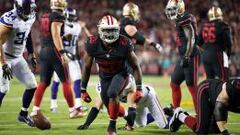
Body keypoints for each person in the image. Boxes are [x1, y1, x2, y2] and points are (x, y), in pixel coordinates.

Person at [80, 15, 143, 135]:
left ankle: (111, 127)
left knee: (112, 93)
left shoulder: (124, 43)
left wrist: (139, 88)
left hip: (121, 74)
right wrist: (83, 89)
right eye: (106, 30)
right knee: (110, 107)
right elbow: (87, 67)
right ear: (100, 30)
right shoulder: (92, 43)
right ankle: (128, 119)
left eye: (112, 30)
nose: (109, 34)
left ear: (118, 30)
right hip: (104, 77)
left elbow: (136, 66)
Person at [31, 0, 84, 120]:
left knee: (44, 82)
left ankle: (35, 109)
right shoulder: (58, 17)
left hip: (44, 50)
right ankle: (72, 110)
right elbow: (55, 35)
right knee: (66, 81)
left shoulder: (45, 16)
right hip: (54, 51)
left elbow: (50, 33)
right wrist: (62, 53)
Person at [0, 0, 37, 127]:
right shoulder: (9, 19)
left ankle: (23, 114)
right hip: (4, 57)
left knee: (32, 85)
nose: (28, 12)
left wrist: (32, 53)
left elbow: (28, 33)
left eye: (30, 9)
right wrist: (4, 63)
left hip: (18, 57)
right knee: (4, 89)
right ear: (18, 7)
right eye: (26, 9)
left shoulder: (31, 16)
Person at [77, 81, 169, 130]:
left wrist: (129, 125)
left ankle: (177, 115)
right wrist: (86, 124)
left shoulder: (123, 86)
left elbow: (131, 106)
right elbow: (97, 106)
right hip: (137, 103)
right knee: (141, 124)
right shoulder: (106, 90)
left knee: (165, 126)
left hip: (148, 97)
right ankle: (165, 110)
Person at [50, 7, 92, 113]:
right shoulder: (77, 26)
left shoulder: (61, 25)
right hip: (65, 56)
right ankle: (54, 104)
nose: (72, 18)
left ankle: (74, 105)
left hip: (66, 56)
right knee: (58, 80)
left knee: (73, 80)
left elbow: (56, 38)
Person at [169, 79, 240, 135]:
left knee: (216, 130)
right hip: (205, 91)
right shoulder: (233, 88)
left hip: (219, 100)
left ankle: (198, 118)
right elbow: (219, 109)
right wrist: (225, 132)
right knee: (201, 130)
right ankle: (180, 115)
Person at [165, 0, 200, 111]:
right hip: (184, 56)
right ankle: (177, 111)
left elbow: (192, 38)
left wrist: (187, 56)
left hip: (190, 56)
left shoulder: (185, 18)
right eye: (170, 9)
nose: (171, 12)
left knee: (192, 87)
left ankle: (200, 115)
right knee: (174, 84)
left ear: (180, 8)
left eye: (173, 9)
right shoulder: (180, 18)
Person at [198, 6, 232, 81]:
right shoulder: (223, 25)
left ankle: (211, 92)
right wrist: (228, 57)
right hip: (217, 54)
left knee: (210, 81)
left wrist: (206, 51)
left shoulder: (204, 25)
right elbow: (229, 44)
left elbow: (198, 43)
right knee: (224, 80)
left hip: (206, 56)